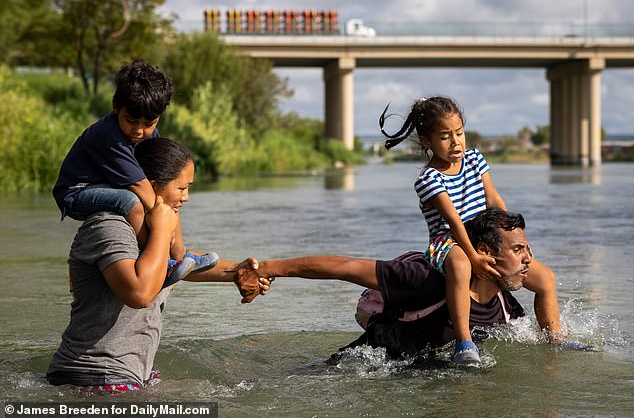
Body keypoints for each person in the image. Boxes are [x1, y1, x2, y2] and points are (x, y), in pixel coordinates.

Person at [47, 138, 265, 394]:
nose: (186, 198)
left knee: (229, 394)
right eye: (182, 188)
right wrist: (163, 228)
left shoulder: (148, 233)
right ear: (152, 187)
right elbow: (139, 293)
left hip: (129, 373)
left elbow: (177, 266)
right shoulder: (110, 226)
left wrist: (241, 271)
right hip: (94, 374)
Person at [234, 208, 565, 362]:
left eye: (528, 250)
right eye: (519, 250)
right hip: (361, 369)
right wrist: (267, 268)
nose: (528, 259)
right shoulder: (425, 280)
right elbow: (343, 267)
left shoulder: (508, 307)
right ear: (483, 254)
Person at [375, 96, 559, 364]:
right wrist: (473, 257)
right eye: (445, 137)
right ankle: (464, 343)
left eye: (459, 133)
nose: (455, 142)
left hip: (484, 237)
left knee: (545, 279)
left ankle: (554, 339)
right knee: (461, 267)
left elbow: (495, 200)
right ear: (427, 142)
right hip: (448, 242)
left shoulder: (474, 159)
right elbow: (453, 221)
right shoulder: (429, 178)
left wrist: (512, 240)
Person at [51, 59, 214, 281]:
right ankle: (161, 257)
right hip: (77, 191)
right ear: (116, 106)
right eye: (131, 121)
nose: (138, 130)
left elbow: (155, 186)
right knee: (131, 202)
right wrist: (162, 225)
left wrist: (166, 205)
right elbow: (139, 185)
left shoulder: (149, 137)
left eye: (149, 123)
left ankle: (180, 257)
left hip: (107, 185)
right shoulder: (108, 137)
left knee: (168, 197)